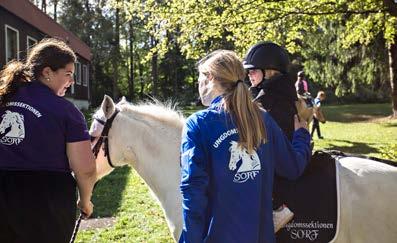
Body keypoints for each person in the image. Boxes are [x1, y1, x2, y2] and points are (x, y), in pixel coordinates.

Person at [179, 50, 311, 243]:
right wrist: (301, 136)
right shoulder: (263, 118)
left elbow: (193, 192)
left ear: (210, 78)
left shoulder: (198, 124)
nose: (198, 86)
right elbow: (293, 167)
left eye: (199, 78)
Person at [0, 38, 97, 243]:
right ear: (47, 72)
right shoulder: (67, 112)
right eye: (68, 74)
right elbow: (85, 170)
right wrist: (85, 201)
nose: (71, 81)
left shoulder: (3, 100)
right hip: (47, 203)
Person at [243, 41, 297, 141]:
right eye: (249, 71)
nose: (249, 74)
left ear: (270, 71)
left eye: (253, 70)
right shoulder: (283, 93)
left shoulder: (271, 101)